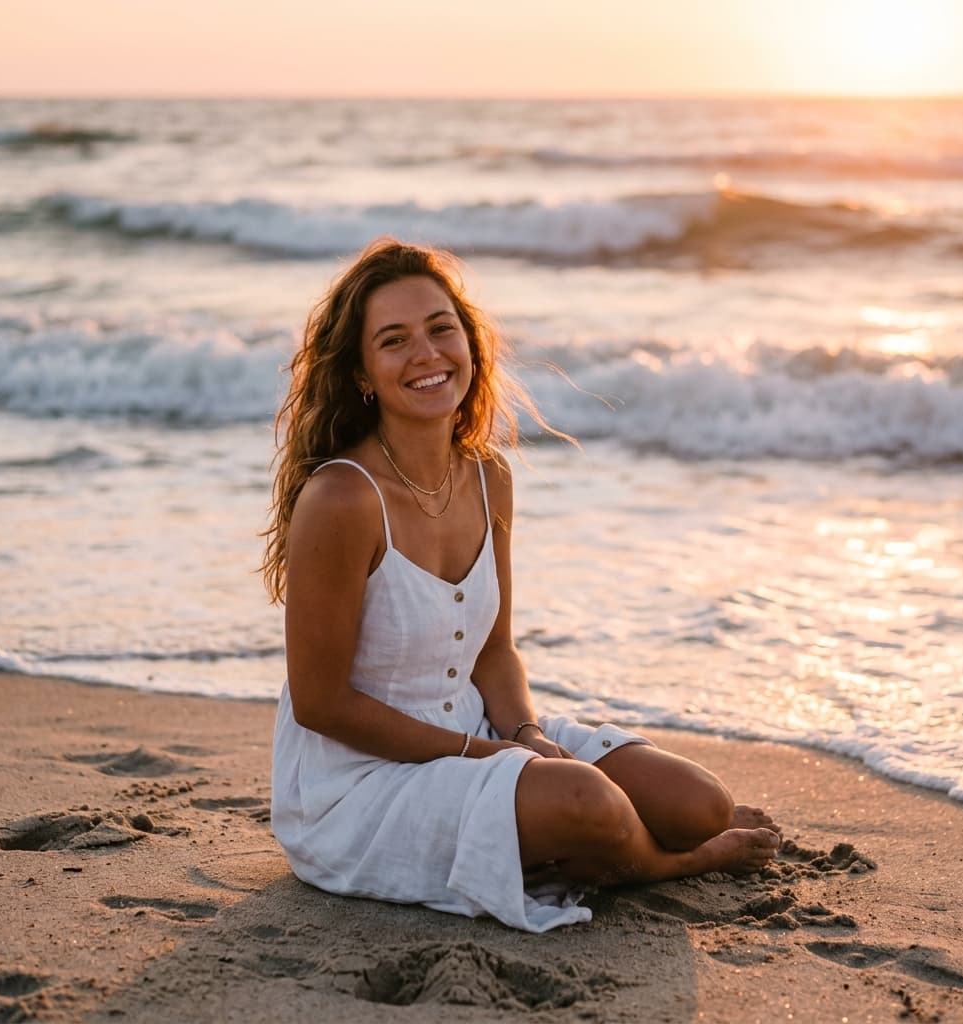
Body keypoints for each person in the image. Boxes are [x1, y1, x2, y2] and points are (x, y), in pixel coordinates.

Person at [262, 238, 781, 932]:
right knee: (589, 804)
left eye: (441, 328)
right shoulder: (342, 500)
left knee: (699, 804)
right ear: (362, 373)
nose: (426, 354)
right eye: (394, 340)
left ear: (470, 343)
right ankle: (663, 863)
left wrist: (525, 732)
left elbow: (494, 652)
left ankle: (603, 844)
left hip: (474, 732)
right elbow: (321, 705)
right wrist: (486, 755)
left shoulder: (487, 476)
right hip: (358, 786)